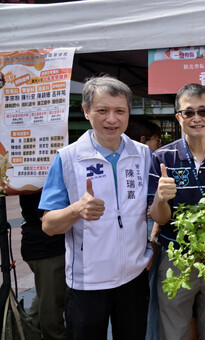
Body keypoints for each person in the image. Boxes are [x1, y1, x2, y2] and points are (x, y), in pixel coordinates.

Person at [39, 75, 153, 340]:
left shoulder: (143, 154)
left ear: (128, 113)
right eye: (102, 110)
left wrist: (152, 245)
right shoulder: (68, 158)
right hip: (87, 283)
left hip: (134, 278)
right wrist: (76, 209)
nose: (111, 119)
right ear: (87, 111)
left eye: (119, 111)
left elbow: (154, 207)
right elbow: (48, 225)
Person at [148, 83, 205, 340]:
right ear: (179, 117)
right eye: (188, 112)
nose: (197, 118)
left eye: (203, 111)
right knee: (174, 331)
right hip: (175, 257)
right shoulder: (163, 157)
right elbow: (159, 218)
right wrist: (162, 199)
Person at [124, 117, 162, 340]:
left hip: (136, 230)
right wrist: (155, 236)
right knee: (150, 293)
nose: (160, 144)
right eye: (157, 139)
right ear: (143, 140)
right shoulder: (149, 162)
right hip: (146, 229)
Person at [20, 191, 66, 340]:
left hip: (48, 247)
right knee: (51, 305)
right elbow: (46, 217)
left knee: (47, 296)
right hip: (47, 248)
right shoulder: (39, 177)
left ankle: (28, 333)